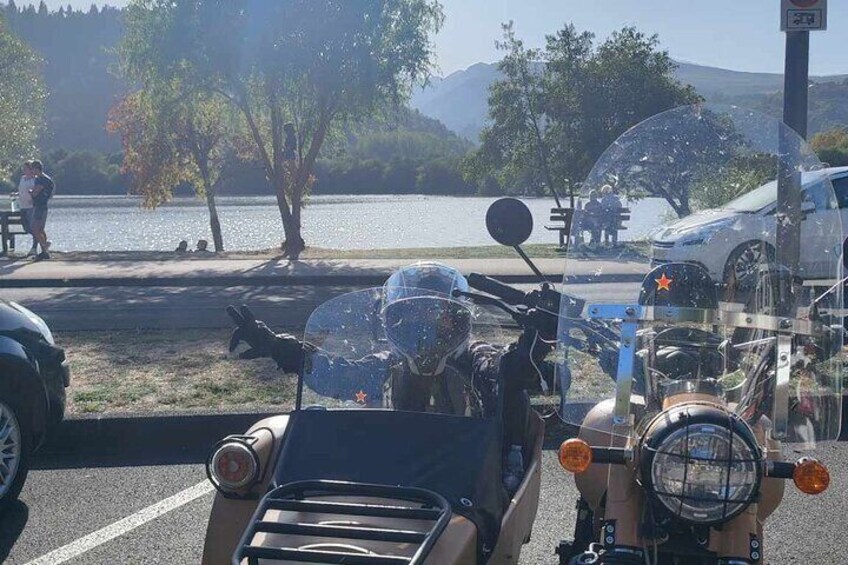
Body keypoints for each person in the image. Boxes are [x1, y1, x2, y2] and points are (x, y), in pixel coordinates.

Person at [228, 262, 548, 449]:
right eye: (412, 317)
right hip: (398, 470)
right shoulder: (387, 366)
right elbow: (335, 374)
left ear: (459, 318)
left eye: (438, 318)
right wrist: (279, 346)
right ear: (393, 320)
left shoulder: (479, 360)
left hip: (476, 478)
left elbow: (507, 370)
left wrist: (534, 343)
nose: (425, 331)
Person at [28, 160, 54, 260]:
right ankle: (45, 252)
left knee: (34, 228)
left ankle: (45, 246)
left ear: (36, 168)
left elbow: (35, 193)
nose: (31, 171)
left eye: (32, 169)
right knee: (40, 229)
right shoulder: (48, 179)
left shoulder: (41, 179)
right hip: (44, 206)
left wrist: (30, 191)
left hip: (39, 206)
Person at [16, 161, 38, 256]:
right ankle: (42, 240)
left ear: (30, 169)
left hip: (31, 207)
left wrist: (33, 200)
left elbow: (38, 192)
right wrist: (16, 194)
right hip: (22, 205)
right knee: (26, 227)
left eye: (26, 168)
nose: (24, 170)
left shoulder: (35, 180)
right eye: (23, 168)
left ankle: (34, 247)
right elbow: (22, 190)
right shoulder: (22, 178)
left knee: (33, 227)